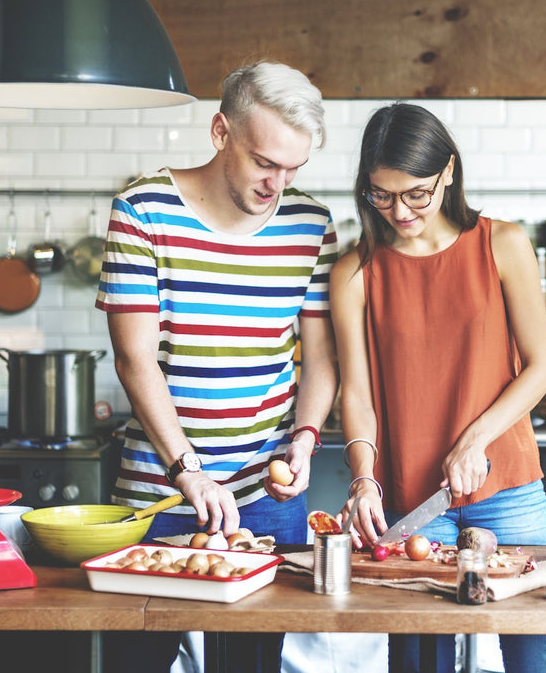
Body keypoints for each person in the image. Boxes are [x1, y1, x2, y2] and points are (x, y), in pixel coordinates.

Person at [96, 60, 339, 673]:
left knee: (254, 666)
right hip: (159, 492)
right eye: (264, 162)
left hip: (268, 494)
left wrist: (305, 442)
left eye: (292, 168)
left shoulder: (310, 225)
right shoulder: (143, 210)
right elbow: (134, 359)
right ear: (219, 132)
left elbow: (321, 361)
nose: (276, 184)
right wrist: (189, 470)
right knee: (139, 662)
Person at [330, 102, 546, 672]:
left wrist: (475, 439)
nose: (399, 210)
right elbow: (355, 397)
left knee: (535, 662)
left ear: (449, 172)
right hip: (414, 503)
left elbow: (541, 365)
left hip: (509, 491)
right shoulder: (354, 273)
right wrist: (364, 480)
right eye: (380, 195)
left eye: (415, 193)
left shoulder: (501, 244)